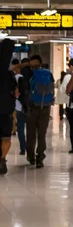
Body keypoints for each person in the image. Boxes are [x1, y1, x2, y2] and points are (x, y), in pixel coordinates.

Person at [22, 55, 55, 168]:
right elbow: (52, 88)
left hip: (32, 107)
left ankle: (31, 157)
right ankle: (40, 156)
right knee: (42, 133)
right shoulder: (48, 73)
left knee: (31, 134)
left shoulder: (29, 74)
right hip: (45, 107)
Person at [0, 39, 16, 174]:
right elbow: (16, 92)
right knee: (6, 137)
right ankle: (2, 158)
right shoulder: (10, 74)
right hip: (6, 110)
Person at [62, 58, 73, 154]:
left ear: (71, 66)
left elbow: (64, 90)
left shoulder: (69, 76)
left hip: (72, 105)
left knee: (72, 127)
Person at [15, 57, 30, 155]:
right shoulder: (33, 75)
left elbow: (15, 93)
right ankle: (30, 147)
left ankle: (23, 148)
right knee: (30, 128)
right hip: (31, 106)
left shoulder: (16, 77)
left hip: (19, 106)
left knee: (20, 127)